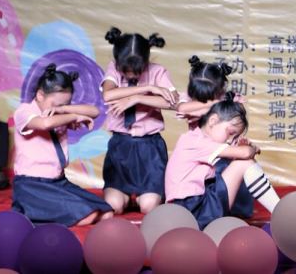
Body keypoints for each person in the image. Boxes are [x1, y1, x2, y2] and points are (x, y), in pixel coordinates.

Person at [12, 64, 113, 225]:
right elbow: (45, 124)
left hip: (58, 182)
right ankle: (33, 218)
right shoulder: (24, 111)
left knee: (106, 213)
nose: (60, 108)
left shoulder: (59, 113)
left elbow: (95, 112)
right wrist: (74, 116)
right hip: (32, 185)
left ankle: (48, 214)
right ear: (40, 95)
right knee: (89, 215)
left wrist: (64, 109)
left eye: (65, 103)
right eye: (56, 104)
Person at [165, 92, 280, 229]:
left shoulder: (196, 137)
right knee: (244, 162)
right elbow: (246, 153)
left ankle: (279, 211)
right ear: (213, 121)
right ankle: (280, 212)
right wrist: (252, 148)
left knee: (234, 162)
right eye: (230, 133)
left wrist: (242, 149)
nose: (230, 140)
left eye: (235, 137)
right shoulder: (198, 141)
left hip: (190, 207)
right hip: (194, 210)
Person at [101, 27, 178, 214]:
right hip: (121, 147)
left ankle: (149, 195)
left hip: (149, 148)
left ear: (146, 61)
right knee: (115, 206)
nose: (131, 76)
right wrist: (147, 88)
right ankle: (125, 195)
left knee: (148, 207)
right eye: (125, 71)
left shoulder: (157, 71)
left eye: (137, 70)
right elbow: (108, 95)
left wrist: (137, 99)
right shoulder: (113, 68)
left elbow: (174, 102)